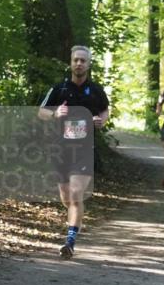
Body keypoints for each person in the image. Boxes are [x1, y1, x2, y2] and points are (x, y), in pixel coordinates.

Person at [38, 45, 110, 259]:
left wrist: (100, 122)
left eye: (83, 60)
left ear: (89, 64)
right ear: (71, 63)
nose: (79, 63)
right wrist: (54, 113)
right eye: (76, 60)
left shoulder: (96, 91)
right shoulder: (59, 89)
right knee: (67, 197)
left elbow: (105, 110)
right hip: (61, 149)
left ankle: (70, 241)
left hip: (84, 150)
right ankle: (74, 218)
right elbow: (41, 112)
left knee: (77, 194)